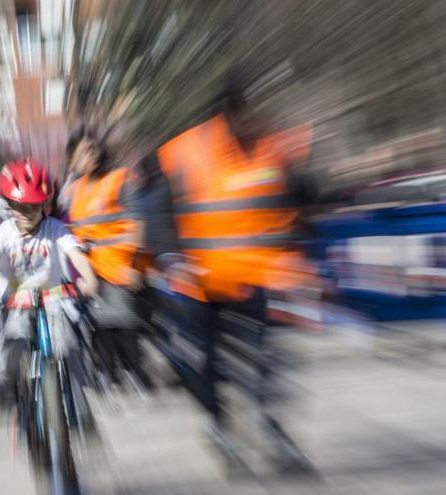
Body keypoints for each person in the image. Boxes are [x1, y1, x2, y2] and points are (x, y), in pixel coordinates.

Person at [152, 72, 317, 474]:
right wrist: (171, 255)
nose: (260, 118)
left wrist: (299, 230)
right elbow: (156, 210)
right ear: (232, 109)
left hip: (251, 280)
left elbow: (297, 195)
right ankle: (219, 425)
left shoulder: (269, 148)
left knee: (261, 361)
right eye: (252, 109)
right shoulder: (185, 151)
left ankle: (272, 431)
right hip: (199, 286)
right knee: (204, 364)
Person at [0, 159, 99, 406]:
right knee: (14, 338)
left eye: (34, 206)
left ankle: (80, 405)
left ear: (45, 204)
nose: (27, 213)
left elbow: (76, 256)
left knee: (67, 345)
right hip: (15, 303)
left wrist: (88, 279)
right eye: (20, 206)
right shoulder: (2, 233)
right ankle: (9, 384)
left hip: (54, 299)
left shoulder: (55, 229)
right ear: (9, 205)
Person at [63, 124, 156, 389]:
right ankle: (107, 372)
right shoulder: (72, 191)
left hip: (120, 268)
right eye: (82, 152)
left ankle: (134, 372)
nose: (90, 155)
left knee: (125, 324)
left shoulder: (120, 179)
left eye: (92, 149)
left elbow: (138, 223)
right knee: (98, 326)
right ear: (72, 160)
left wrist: (137, 266)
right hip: (89, 271)